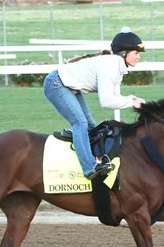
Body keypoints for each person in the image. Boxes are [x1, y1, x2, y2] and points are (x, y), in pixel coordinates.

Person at [43, 27, 146, 180]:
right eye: (136, 53)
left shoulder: (118, 67)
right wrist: (131, 102)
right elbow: (106, 101)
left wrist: (131, 98)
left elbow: (115, 96)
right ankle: (89, 168)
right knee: (80, 123)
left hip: (68, 86)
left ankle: (94, 154)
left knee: (91, 125)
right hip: (57, 83)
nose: (138, 57)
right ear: (124, 53)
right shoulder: (111, 65)